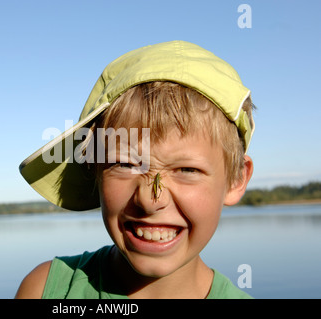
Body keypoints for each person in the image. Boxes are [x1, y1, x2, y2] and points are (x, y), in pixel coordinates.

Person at [15, 41, 255, 299]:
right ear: (93, 169)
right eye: (125, 164)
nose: (151, 201)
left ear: (236, 179)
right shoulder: (45, 290)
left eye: (187, 169)